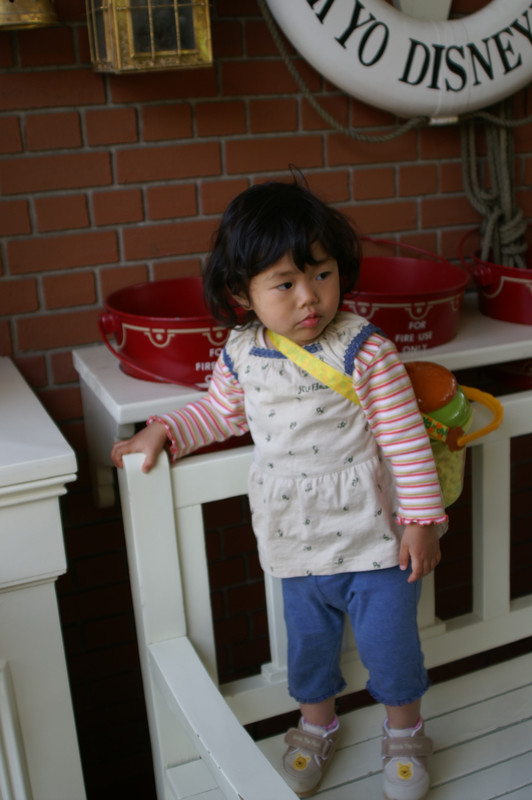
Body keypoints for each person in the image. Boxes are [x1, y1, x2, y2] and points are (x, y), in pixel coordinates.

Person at [111, 179, 447, 800]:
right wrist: (164, 430)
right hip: (295, 537)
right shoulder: (242, 353)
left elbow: (406, 441)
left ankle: (405, 732)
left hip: (376, 539)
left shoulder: (364, 350)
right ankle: (317, 726)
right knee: (309, 648)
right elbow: (218, 413)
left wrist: (422, 522)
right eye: (284, 283)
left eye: (321, 274)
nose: (309, 297)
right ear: (242, 293)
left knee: (391, 646)